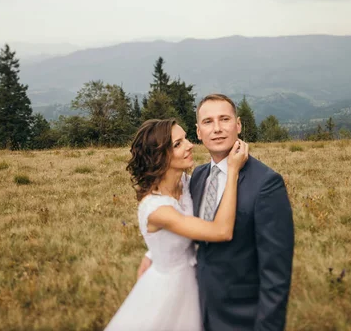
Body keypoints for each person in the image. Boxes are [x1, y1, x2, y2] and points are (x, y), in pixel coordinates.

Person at [137, 94, 295, 331]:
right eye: (208, 122)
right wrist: (154, 252)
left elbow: (276, 275)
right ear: (199, 132)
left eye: (224, 119)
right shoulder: (197, 177)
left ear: (238, 125)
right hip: (196, 306)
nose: (217, 129)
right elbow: (178, 217)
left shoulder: (266, 184)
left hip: (241, 316)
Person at [105, 118, 249, 331]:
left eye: (186, 139)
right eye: (178, 144)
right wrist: (233, 171)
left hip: (192, 281)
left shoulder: (184, 182)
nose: (190, 145)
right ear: (160, 157)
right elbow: (221, 231)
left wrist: (152, 253)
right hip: (169, 291)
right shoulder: (158, 209)